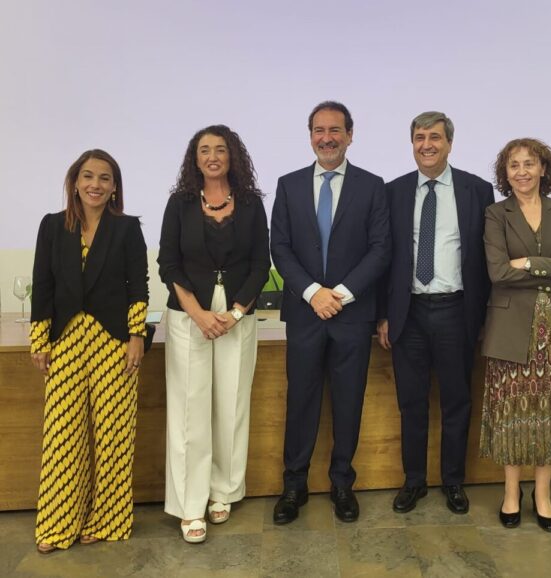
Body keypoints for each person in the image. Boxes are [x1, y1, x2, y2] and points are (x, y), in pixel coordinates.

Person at [270, 101, 390, 524]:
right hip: (305, 315)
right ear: (310, 136)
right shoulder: (287, 185)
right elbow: (280, 248)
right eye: (319, 130)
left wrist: (338, 293)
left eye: (335, 130)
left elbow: (380, 249)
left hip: (351, 316)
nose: (327, 137)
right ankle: (294, 486)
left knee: (347, 403)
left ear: (350, 135)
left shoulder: (373, 186)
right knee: (300, 402)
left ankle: (342, 484)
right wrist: (311, 293)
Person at [29, 149, 149, 553]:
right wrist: (39, 340)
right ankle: (58, 525)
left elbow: (139, 284)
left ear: (115, 187)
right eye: (87, 176)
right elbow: (42, 285)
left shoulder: (128, 227)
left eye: (104, 178)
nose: (95, 184)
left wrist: (136, 336)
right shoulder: (51, 226)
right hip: (65, 340)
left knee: (114, 435)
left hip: (113, 341)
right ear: (74, 182)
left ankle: (109, 520)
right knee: (63, 436)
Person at [377, 111, 494, 515]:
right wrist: (383, 315)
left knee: (457, 401)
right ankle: (414, 482)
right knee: (411, 403)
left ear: (449, 143)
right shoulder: (392, 192)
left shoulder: (477, 190)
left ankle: (453, 482)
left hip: (455, 311)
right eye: (419, 137)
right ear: (412, 143)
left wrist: (483, 318)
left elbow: (484, 257)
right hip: (407, 314)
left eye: (435, 137)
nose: (427, 144)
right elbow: (384, 258)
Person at [158, 125, 270, 543]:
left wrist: (237, 312)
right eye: (204, 150)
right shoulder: (180, 203)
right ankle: (191, 505)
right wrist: (199, 315)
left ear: (232, 156)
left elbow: (262, 263)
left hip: (237, 318)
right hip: (190, 318)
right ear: (194, 158)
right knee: (190, 412)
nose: (212, 156)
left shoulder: (253, 204)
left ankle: (223, 491)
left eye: (220, 149)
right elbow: (168, 264)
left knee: (231, 405)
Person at [480, 138, 551, 532]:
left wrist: (526, 262)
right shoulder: (495, 214)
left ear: (544, 168)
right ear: (505, 174)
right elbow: (498, 273)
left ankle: (542, 495)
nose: (522, 171)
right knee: (512, 415)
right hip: (511, 332)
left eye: (530, 163)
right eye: (514, 165)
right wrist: (550, 265)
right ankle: (511, 492)